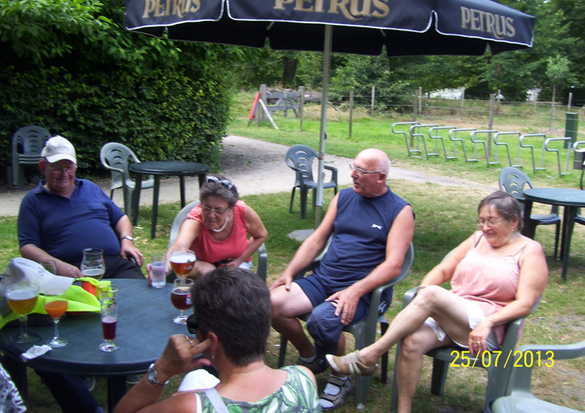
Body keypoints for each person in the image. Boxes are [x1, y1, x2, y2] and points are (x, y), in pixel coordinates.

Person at [326, 191, 548, 413]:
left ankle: (371, 354)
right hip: (453, 317)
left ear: (514, 221)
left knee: (432, 295)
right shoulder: (477, 239)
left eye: (491, 221)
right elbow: (442, 270)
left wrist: (488, 322)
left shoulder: (529, 250)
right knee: (412, 340)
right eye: (481, 220)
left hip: (487, 329)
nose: (484, 227)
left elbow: (525, 303)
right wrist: (423, 294)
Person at [270, 148, 414, 410]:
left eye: (361, 171)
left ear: (381, 177)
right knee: (269, 303)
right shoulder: (344, 197)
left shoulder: (400, 211)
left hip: (365, 292)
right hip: (324, 279)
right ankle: (311, 355)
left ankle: (341, 376)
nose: (353, 175)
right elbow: (316, 239)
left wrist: (355, 291)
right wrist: (289, 271)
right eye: (354, 167)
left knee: (323, 321)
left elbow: (394, 265)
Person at [114, 268, 322, 413]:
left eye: (195, 325)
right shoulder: (304, 379)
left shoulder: (190, 407)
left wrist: (163, 369)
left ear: (211, 341)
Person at [17, 135, 145, 280]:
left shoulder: (90, 187)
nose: (64, 174)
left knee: (142, 297)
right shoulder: (33, 201)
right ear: (42, 167)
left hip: (114, 264)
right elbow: (28, 247)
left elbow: (121, 218)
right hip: (69, 271)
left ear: (76, 165)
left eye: (69, 167)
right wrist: (58, 266)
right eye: (57, 168)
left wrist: (127, 241)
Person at [165, 174, 268, 279]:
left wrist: (239, 260)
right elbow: (180, 245)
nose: (211, 215)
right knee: (208, 274)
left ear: (231, 209)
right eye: (206, 208)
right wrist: (166, 264)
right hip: (201, 264)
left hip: (235, 264)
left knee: (233, 282)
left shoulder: (242, 211)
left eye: (218, 210)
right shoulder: (195, 219)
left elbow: (261, 235)